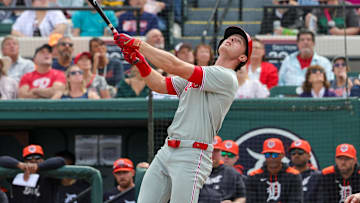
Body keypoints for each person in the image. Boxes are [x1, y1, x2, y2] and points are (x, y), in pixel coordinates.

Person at [113, 25, 252, 203]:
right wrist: (140, 62)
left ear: (242, 57)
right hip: (167, 149)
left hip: (193, 153)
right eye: (230, 37)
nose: (231, 39)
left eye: (238, 40)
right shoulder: (203, 75)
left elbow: (174, 65)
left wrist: (139, 45)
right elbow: (161, 84)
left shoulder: (227, 77)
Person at [0, 144, 65, 203]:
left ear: (43, 159)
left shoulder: (49, 173)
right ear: (24, 161)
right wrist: (19, 164)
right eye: (29, 158)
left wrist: (38, 167)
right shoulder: (18, 173)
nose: (33, 160)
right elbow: (2, 160)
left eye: (37, 158)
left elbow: (60, 160)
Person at [246, 138, 303, 203]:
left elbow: (296, 200)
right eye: (267, 155)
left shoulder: (293, 175)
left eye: (274, 155)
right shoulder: (253, 176)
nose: (271, 158)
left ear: (282, 155)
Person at [198, 138, 246, 203]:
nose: (212, 154)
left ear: (220, 152)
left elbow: (242, 197)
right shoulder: (196, 170)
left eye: (216, 151)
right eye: (210, 151)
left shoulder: (232, 173)